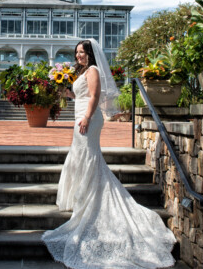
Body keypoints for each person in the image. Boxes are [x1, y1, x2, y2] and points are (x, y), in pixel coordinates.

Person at [41, 40, 176, 268]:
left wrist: (86, 118)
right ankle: (83, 195)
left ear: (90, 54)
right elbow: (81, 96)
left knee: (88, 157)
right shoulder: (82, 71)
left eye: (82, 52)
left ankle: (90, 198)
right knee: (81, 157)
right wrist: (65, 92)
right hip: (81, 117)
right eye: (76, 53)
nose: (78, 56)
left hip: (89, 119)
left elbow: (94, 97)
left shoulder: (93, 70)